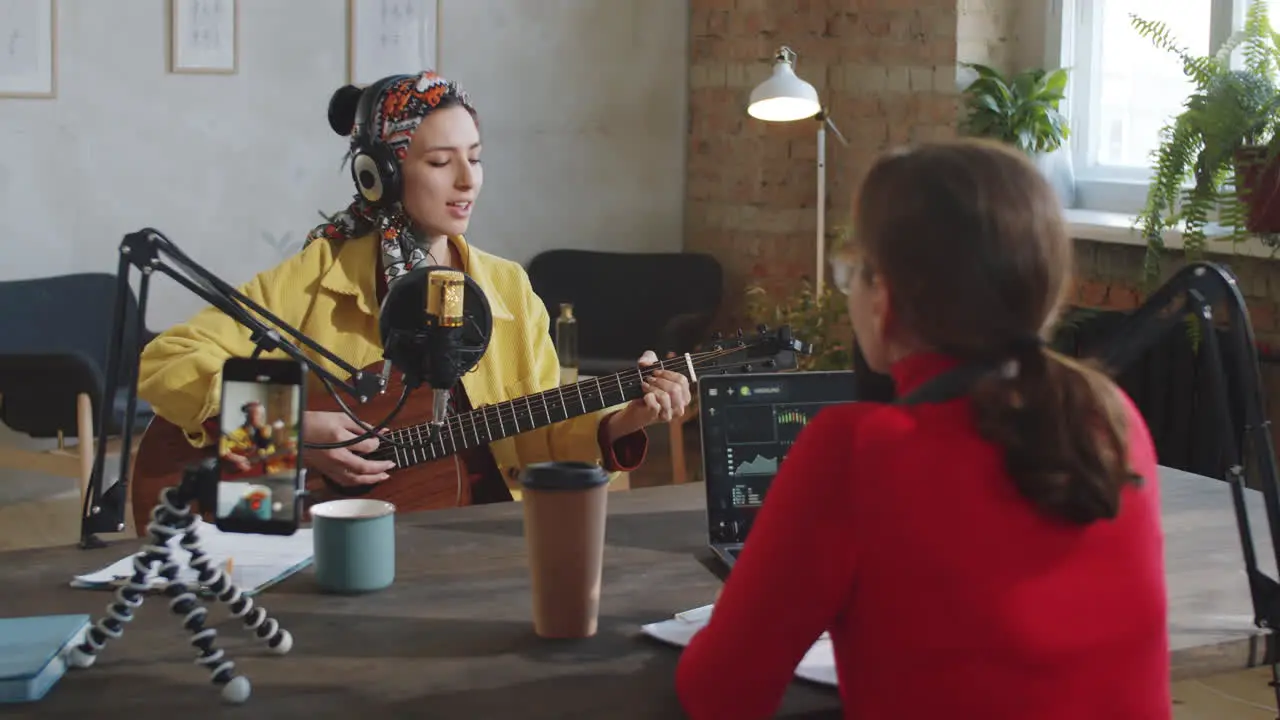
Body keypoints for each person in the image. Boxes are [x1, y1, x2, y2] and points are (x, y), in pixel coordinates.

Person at [675, 139, 1170, 719]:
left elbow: (720, 695)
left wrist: (744, 604)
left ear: (884, 297)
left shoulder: (859, 450)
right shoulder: (1110, 415)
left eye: (852, 272)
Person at [136, 70, 690, 505]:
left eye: (475, 158)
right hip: (345, 534)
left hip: (489, 528)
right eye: (441, 162)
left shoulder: (507, 287)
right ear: (381, 175)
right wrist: (290, 430)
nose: (468, 180)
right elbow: (166, 361)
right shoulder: (316, 276)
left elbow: (543, 434)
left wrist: (628, 416)